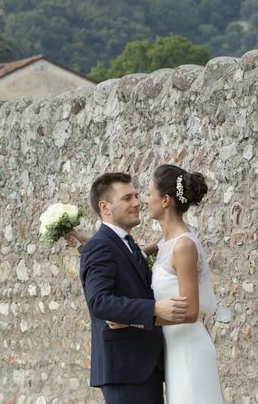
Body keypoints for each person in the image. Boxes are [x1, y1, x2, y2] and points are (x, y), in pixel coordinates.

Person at [78, 172, 188, 404]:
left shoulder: (125, 244)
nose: (137, 202)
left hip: (145, 366)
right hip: (125, 369)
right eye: (127, 198)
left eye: (137, 196)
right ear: (105, 207)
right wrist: (154, 309)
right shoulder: (100, 246)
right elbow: (99, 301)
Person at [141, 164, 223, 403]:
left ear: (165, 200)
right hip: (175, 349)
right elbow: (124, 249)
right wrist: (80, 240)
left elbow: (190, 311)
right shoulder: (166, 243)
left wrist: (139, 318)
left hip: (189, 348)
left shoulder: (184, 246)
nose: (145, 200)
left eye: (148, 193)